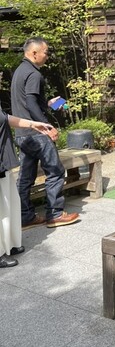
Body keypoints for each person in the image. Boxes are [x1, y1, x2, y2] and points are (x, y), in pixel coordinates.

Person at [11, 37, 80, 229]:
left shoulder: (19, 71)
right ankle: (55, 214)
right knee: (55, 171)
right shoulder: (33, 73)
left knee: (25, 177)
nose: (47, 56)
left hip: (22, 132)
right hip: (36, 133)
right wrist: (46, 126)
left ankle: (25, 217)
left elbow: (28, 102)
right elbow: (31, 103)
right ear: (34, 53)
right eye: (46, 52)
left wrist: (48, 103)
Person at [0, 105, 54, 268]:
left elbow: (4, 118)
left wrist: (32, 124)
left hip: (4, 161)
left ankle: (8, 244)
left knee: (9, 205)